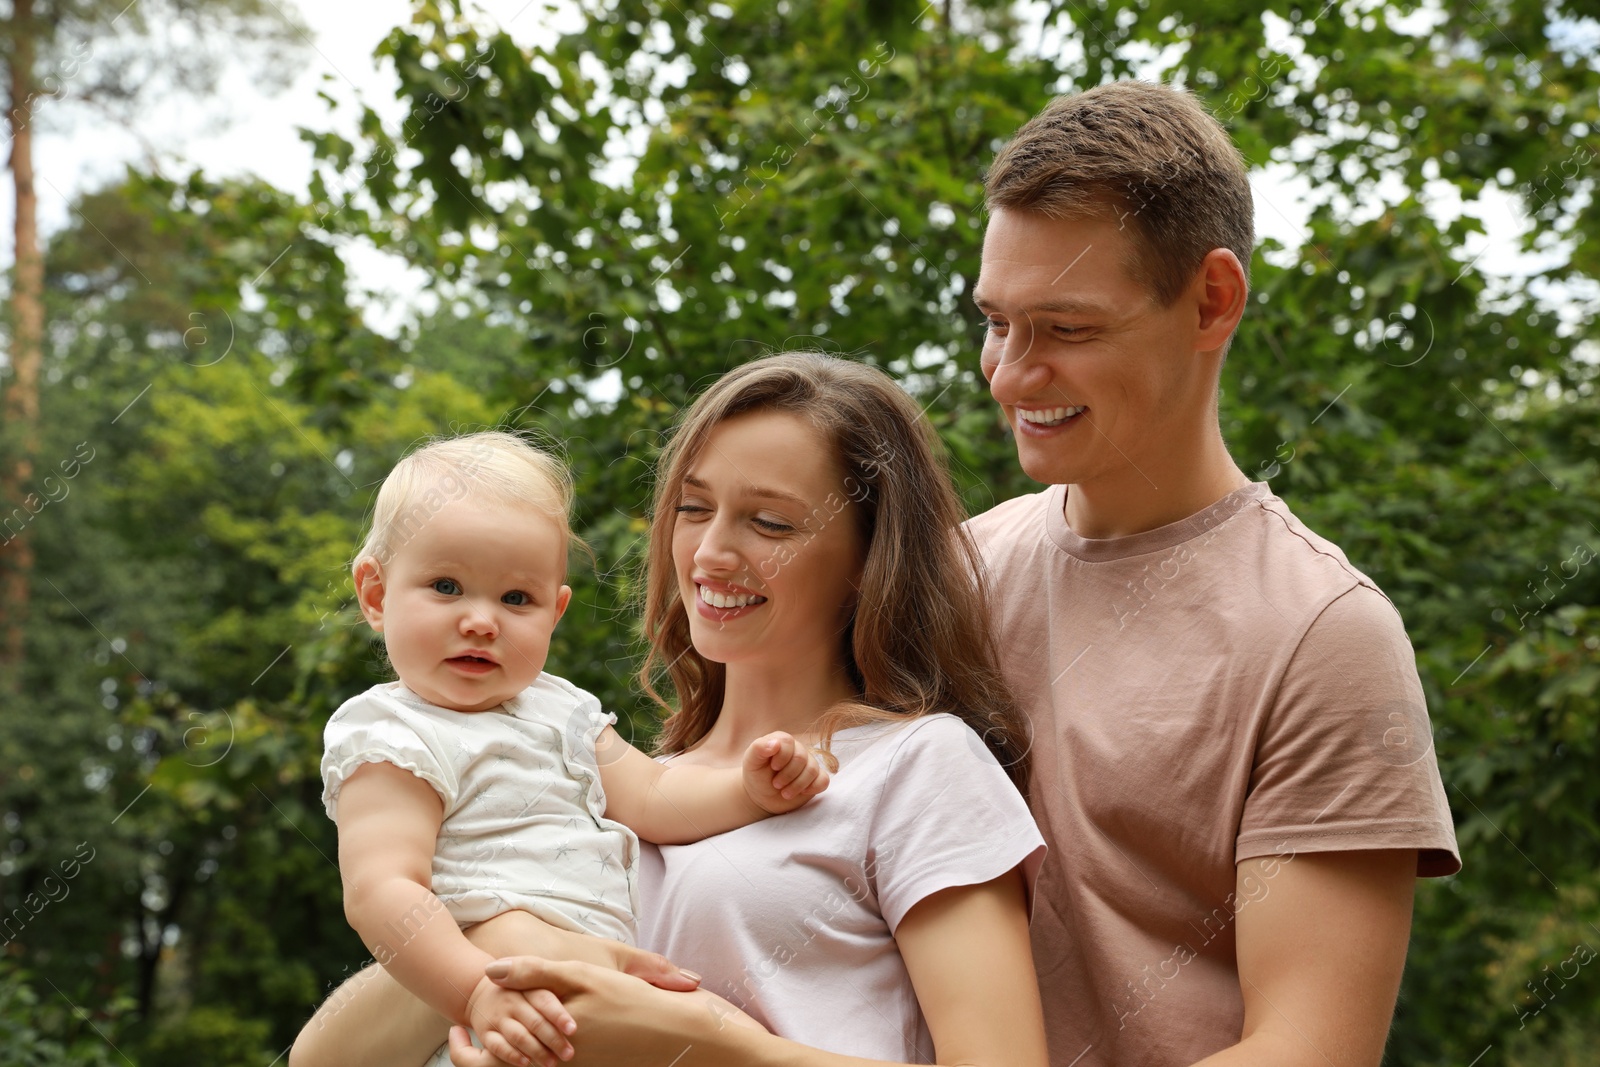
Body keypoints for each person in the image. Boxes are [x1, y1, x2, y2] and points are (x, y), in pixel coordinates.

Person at [293, 356, 1051, 1067]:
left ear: (867, 558)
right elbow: (320, 1057)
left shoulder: (917, 764)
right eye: (694, 507)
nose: (711, 552)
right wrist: (501, 943)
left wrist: (706, 1038)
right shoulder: (600, 788)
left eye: (771, 523)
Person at [964, 81, 1461, 1066]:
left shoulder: (1322, 634)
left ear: (1211, 300)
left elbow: (1309, 1050)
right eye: (994, 321)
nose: (1011, 374)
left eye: (1065, 330)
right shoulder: (952, 572)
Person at [297, 431, 831, 1067]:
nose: (481, 620)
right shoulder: (392, 733)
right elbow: (385, 892)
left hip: (597, 1007)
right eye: (445, 586)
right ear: (376, 594)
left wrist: (750, 790)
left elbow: (654, 797)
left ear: (556, 612)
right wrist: (472, 993)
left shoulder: (561, 709)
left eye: (516, 598)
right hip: (485, 1012)